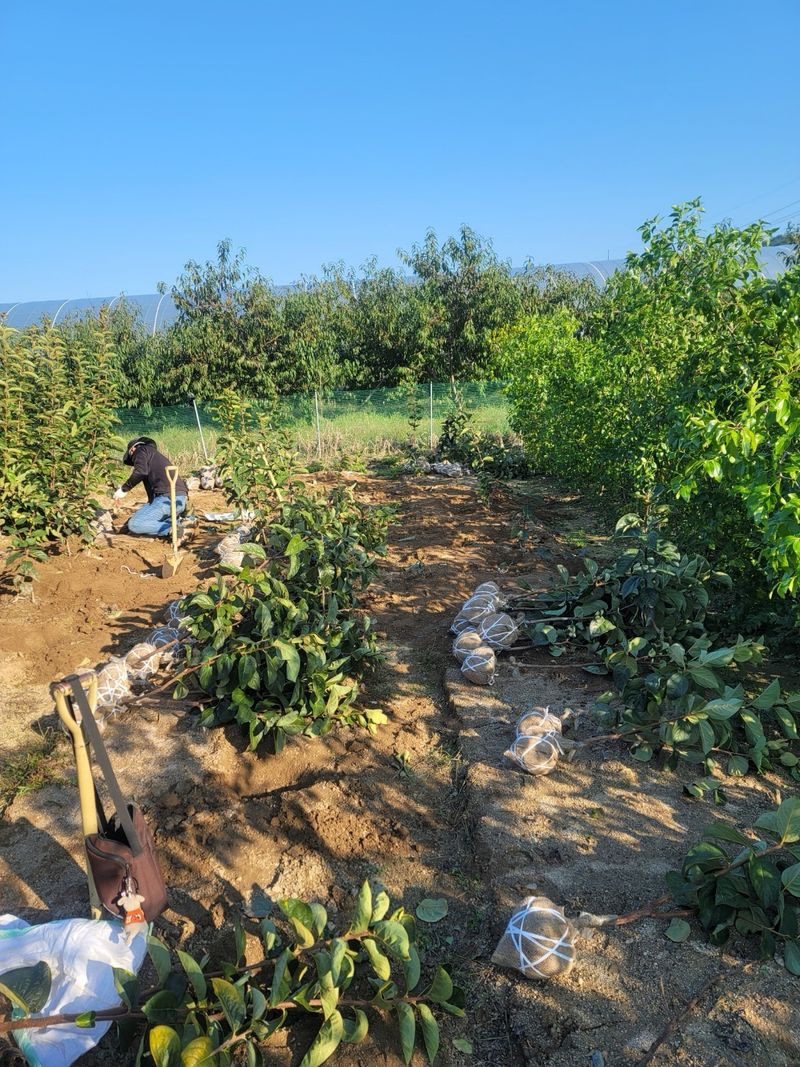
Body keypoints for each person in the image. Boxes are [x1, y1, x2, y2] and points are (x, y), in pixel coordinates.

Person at [113, 437, 189, 537]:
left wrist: (123, 490)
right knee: (146, 518)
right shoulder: (152, 456)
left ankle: (179, 529)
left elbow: (140, 472)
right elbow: (152, 500)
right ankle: (183, 522)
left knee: (135, 524)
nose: (134, 461)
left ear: (132, 449)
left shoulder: (140, 450)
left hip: (167, 499)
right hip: (179, 500)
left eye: (132, 456)